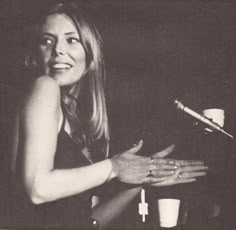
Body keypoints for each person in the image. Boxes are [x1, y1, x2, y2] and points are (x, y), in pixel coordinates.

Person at [9, 1, 208, 229]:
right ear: (36, 54)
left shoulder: (73, 121)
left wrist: (141, 180)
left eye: (71, 40)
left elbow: (89, 222)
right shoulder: (44, 87)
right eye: (47, 40)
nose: (58, 50)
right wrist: (115, 168)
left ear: (90, 57)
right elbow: (38, 188)